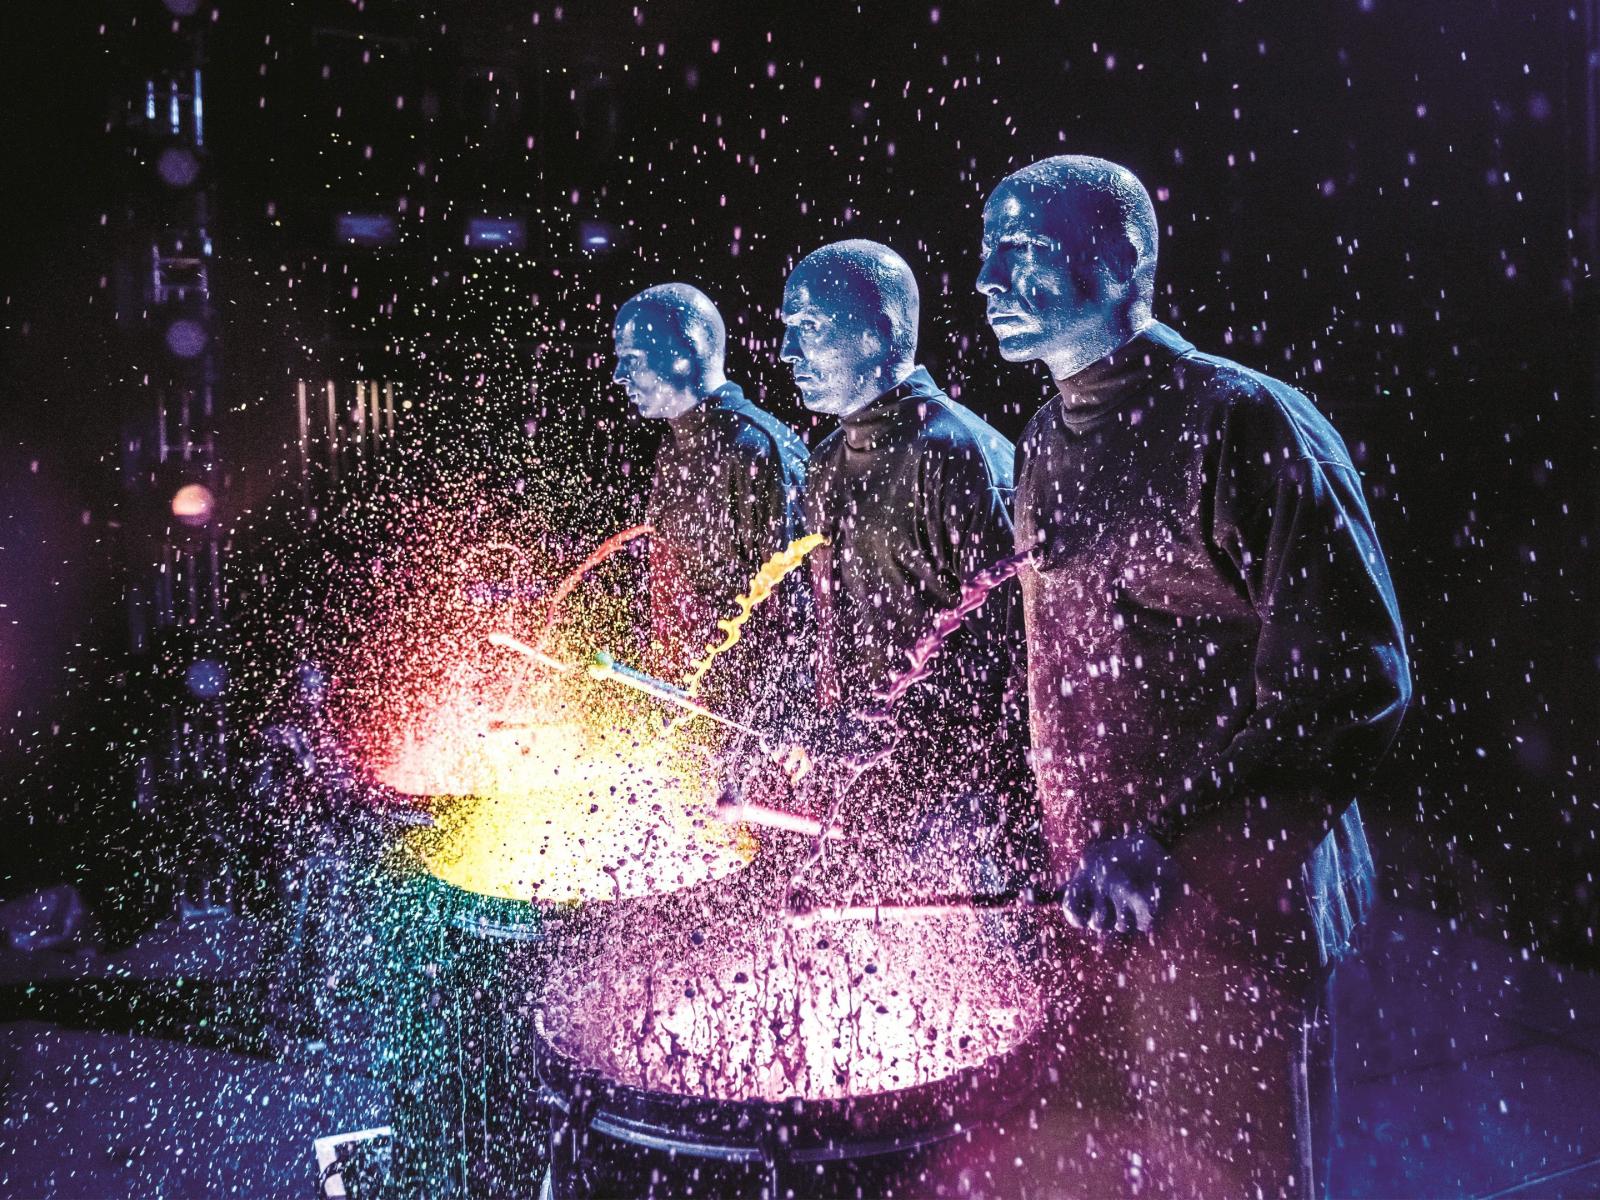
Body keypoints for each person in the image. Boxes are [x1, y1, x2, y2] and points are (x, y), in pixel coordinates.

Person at [976, 155, 1411, 1198]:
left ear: (1123, 258)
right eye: (986, 251)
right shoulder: (1042, 436)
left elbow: (1352, 680)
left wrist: (1172, 840)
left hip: (1232, 913)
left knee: (1239, 1173)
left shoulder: (1241, 420)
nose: (989, 278)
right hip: (1101, 900)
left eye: (1023, 249)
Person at [777, 239, 1031, 892]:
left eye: (810, 327)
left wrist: (921, 764)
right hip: (864, 797)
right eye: (788, 329)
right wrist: (822, 730)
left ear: (880, 332)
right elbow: (834, 626)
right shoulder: (826, 462)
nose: (787, 352)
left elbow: (1015, 660)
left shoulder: (961, 456)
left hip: (959, 814)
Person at [612, 283, 809, 720]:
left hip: (753, 724)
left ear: (686, 352)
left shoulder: (759, 450)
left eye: (632, 359)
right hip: (692, 709)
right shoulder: (674, 448)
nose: (619, 375)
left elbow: (801, 614)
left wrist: (776, 729)